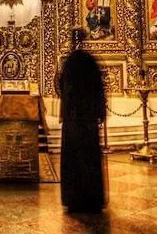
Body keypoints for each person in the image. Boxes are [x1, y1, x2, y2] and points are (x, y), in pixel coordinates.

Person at [59, 28, 107, 213]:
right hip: (86, 117)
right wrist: (100, 111)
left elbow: (62, 88)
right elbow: (98, 89)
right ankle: (91, 198)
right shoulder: (89, 61)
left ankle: (74, 198)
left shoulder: (69, 62)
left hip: (74, 118)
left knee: (75, 157)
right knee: (88, 157)